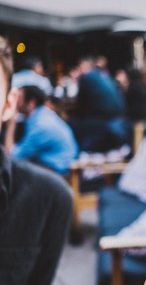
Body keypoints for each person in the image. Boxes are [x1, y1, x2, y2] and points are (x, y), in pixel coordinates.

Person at [0, 36, 72, 285]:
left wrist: (9, 128)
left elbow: (14, 155)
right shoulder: (41, 118)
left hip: (57, 168)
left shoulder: (48, 197)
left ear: (12, 104)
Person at [4, 85, 79, 175]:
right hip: (61, 163)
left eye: (18, 98)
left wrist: (11, 124)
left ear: (31, 103)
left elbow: (12, 156)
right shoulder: (44, 115)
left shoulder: (40, 125)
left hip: (57, 170)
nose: (13, 102)